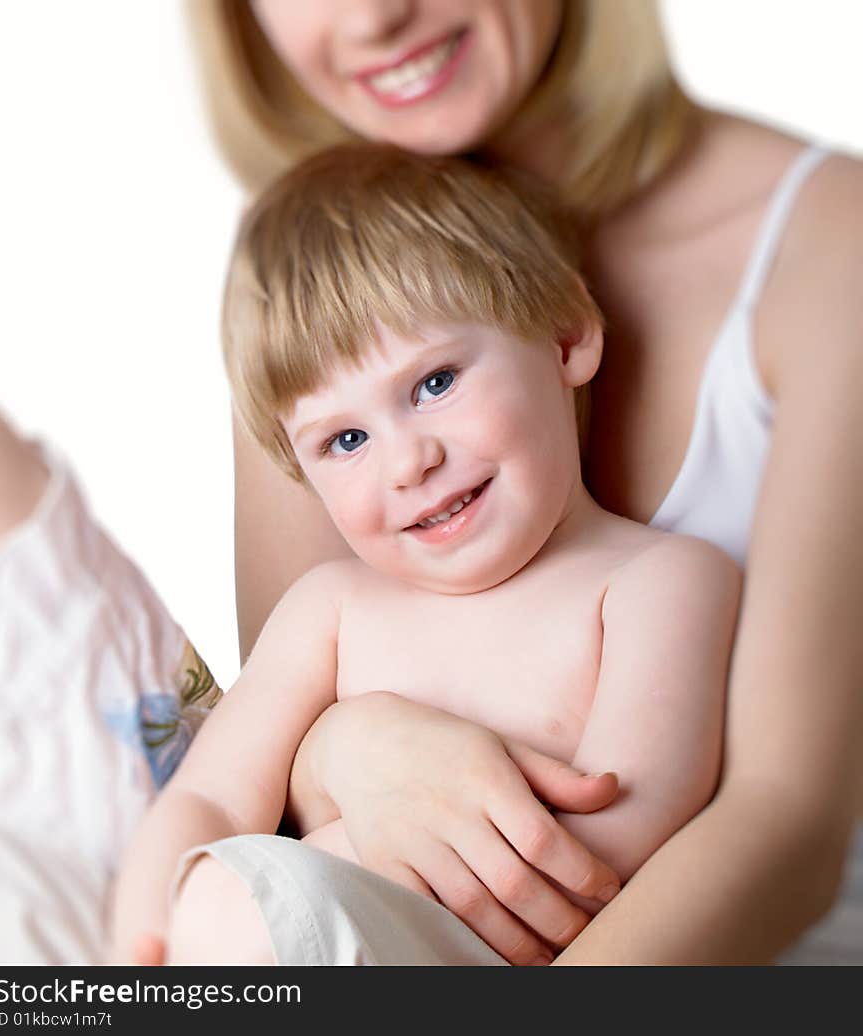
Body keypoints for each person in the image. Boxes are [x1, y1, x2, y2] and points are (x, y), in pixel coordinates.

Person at [185, 0, 863, 965]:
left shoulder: (830, 242)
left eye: (436, 384)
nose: (376, 18)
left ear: (568, 339)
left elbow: (785, 836)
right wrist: (351, 744)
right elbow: (286, 747)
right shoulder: (313, 281)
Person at [111, 144, 741, 965]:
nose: (408, 464)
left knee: (244, 902)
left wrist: (317, 866)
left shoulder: (659, 582)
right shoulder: (329, 609)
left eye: (434, 383)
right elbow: (210, 798)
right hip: (302, 947)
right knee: (206, 896)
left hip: (530, 955)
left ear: (565, 337)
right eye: (345, 439)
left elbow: (621, 841)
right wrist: (145, 938)